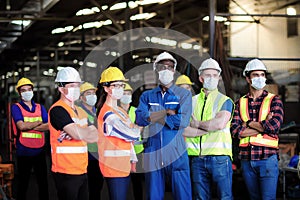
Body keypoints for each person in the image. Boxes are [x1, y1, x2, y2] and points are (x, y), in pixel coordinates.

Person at [135, 51, 192, 200]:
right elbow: (140, 119)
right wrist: (166, 112)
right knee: (153, 196)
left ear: (174, 71)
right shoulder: (147, 96)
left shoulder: (183, 95)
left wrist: (154, 115)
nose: (166, 70)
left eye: (170, 67)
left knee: (183, 196)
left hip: (176, 150)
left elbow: (182, 122)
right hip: (153, 151)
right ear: (156, 70)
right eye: (162, 67)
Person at [231, 59, 284, 200]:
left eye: (262, 74)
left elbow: (273, 127)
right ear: (248, 78)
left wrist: (247, 122)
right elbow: (236, 131)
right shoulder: (240, 103)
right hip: (247, 161)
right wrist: (263, 125)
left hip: (267, 159)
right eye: (255, 75)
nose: (260, 78)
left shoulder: (274, 100)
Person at [183, 58, 234, 200]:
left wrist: (197, 124)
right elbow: (184, 130)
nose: (212, 78)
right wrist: (208, 127)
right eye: (208, 75)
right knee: (200, 198)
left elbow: (219, 124)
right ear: (201, 78)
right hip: (197, 159)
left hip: (220, 158)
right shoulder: (191, 102)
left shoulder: (225, 101)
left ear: (219, 78)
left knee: (225, 197)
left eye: (215, 75)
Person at [49, 67, 98, 200]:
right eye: (71, 86)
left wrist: (79, 132)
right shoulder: (57, 110)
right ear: (60, 88)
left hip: (82, 169)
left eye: (77, 85)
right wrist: (81, 132)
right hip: (65, 171)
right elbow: (77, 134)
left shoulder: (80, 111)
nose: (75, 89)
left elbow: (95, 136)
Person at [97, 66, 140, 200]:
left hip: (124, 165)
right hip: (113, 167)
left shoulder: (120, 111)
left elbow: (132, 136)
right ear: (106, 88)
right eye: (116, 85)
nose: (120, 88)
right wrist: (135, 130)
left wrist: (133, 160)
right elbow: (132, 134)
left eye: (122, 85)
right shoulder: (107, 113)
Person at [11, 77, 49, 200]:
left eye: (29, 89)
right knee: (23, 183)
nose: (27, 92)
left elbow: (48, 126)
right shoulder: (16, 107)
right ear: (19, 93)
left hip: (40, 150)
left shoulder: (40, 107)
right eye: (23, 90)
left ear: (33, 90)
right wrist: (38, 122)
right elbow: (21, 126)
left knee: (43, 183)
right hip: (24, 151)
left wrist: (30, 126)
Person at [77, 82, 104, 200]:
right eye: (88, 93)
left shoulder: (99, 111)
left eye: (93, 93)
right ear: (81, 97)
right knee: (87, 189)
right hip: (86, 155)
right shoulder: (78, 112)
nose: (92, 95)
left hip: (100, 155)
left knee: (98, 187)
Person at [119, 83, 144, 200]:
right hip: (122, 153)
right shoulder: (115, 111)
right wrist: (133, 129)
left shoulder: (136, 110)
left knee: (137, 183)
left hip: (137, 152)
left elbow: (140, 127)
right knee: (122, 183)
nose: (126, 95)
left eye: (128, 93)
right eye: (124, 93)